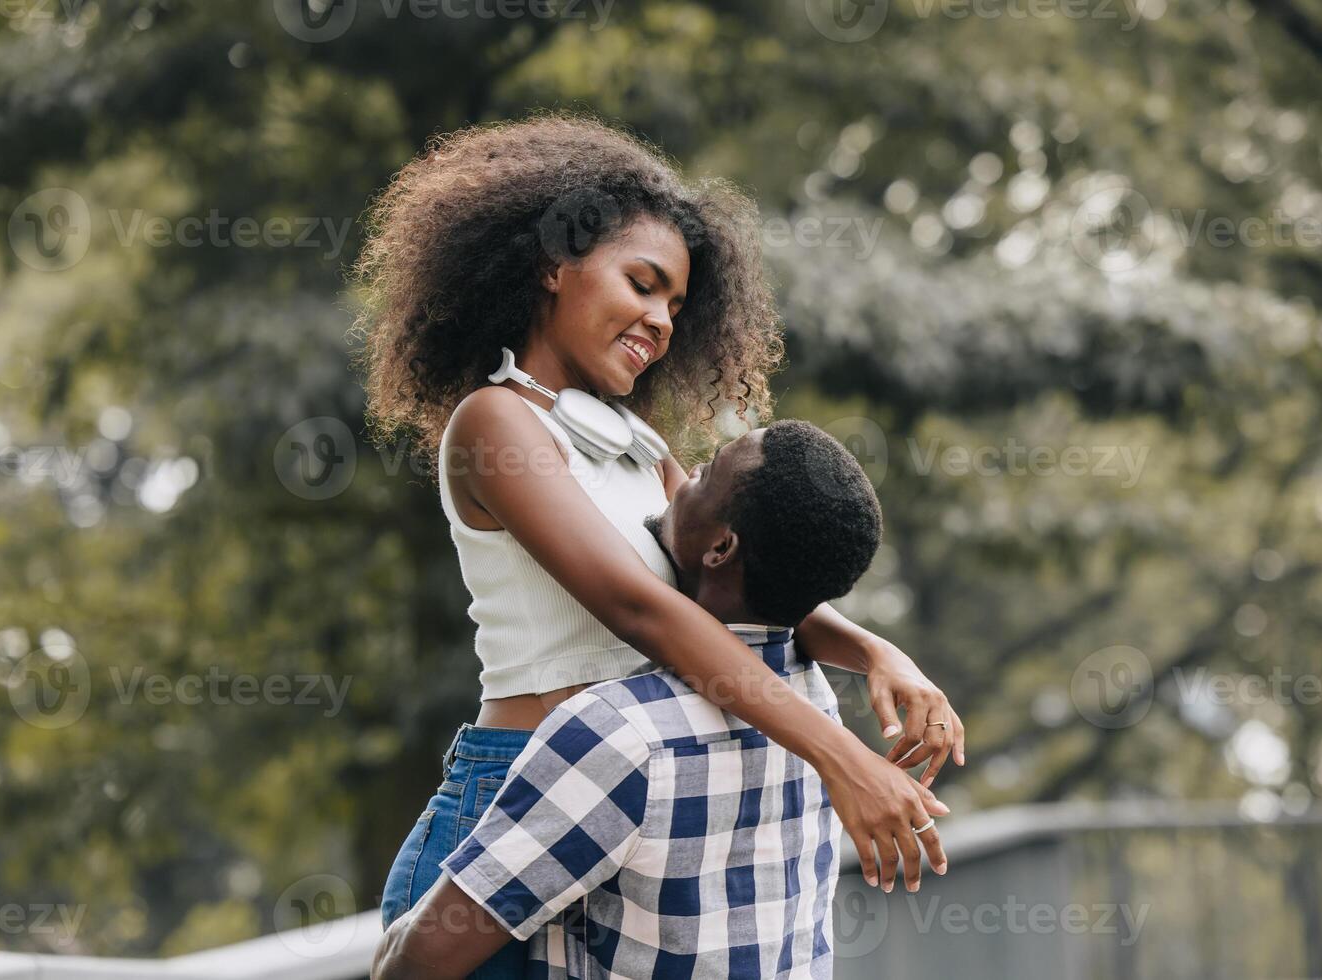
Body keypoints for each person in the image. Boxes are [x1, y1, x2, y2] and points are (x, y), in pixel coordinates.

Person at [355, 114, 966, 976]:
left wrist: (877, 654)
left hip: (608, 816)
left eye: (676, 305)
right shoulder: (498, 422)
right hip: (508, 808)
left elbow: (738, 556)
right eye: (641, 285)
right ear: (552, 266)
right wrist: (841, 756)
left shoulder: (632, 440)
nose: (661, 321)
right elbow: (641, 609)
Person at [371, 421, 951, 979]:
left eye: (705, 472)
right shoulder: (813, 696)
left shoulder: (618, 734)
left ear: (721, 547)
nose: (680, 473)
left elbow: (416, 963)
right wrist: (877, 651)